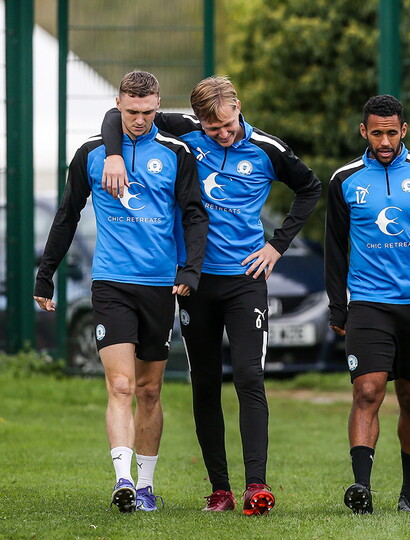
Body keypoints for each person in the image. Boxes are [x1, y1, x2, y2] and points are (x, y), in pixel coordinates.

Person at [100, 76, 322, 515]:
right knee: (204, 382)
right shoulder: (185, 131)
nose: (222, 133)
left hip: (245, 281)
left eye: (227, 123)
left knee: (249, 378)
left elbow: (310, 187)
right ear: (198, 120)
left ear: (238, 106)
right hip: (195, 282)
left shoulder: (267, 149)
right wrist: (112, 154)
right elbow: (116, 114)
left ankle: (256, 485)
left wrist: (277, 245)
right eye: (212, 127)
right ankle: (220, 490)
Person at [35, 70, 208, 513]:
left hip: (159, 285)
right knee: (121, 384)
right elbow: (67, 214)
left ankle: (146, 487)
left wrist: (190, 269)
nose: (139, 119)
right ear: (118, 105)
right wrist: (45, 273)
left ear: (158, 105)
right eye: (131, 111)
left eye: (147, 111)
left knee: (149, 390)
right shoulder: (91, 154)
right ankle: (124, 480)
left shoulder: (177, 153)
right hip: (111, 282)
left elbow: (193, 214)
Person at [325, 95, 410, 514]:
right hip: (368, 302)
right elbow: (335, 247)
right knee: (367, 391)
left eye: (391, 133)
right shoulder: (345, 179)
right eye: (376, 133)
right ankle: (361, 488)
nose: (384, 141)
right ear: (363, 132)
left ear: (403, 130)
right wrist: (337, 305)